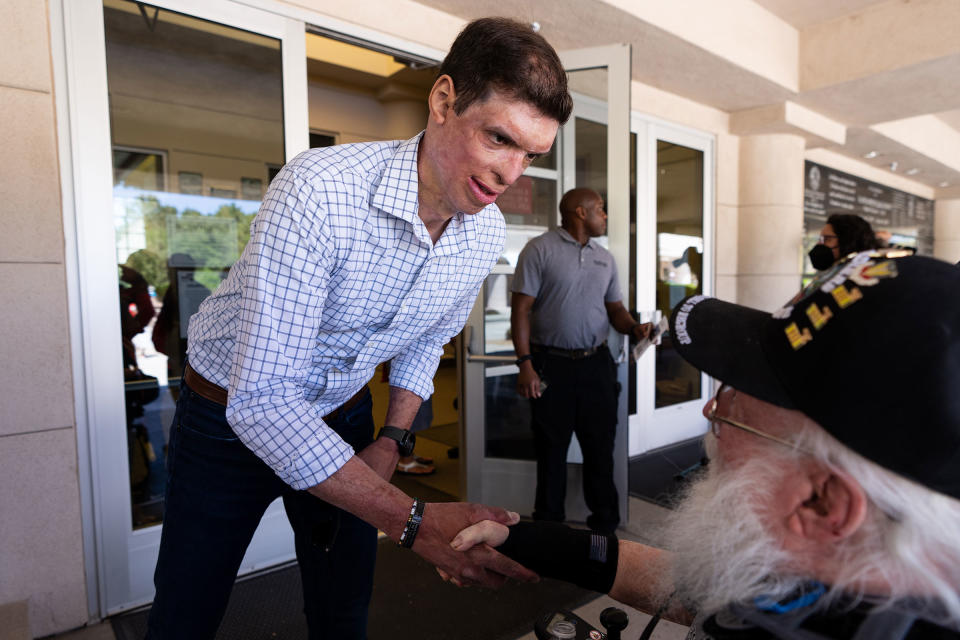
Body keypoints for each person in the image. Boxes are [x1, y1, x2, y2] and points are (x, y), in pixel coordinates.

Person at [146, 17, 572, 639]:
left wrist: (393, 437)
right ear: (444, 100)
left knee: (343, 602)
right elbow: (261, 403)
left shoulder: (482, 231)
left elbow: (429, 335)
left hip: (343, 413)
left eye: (530, 155)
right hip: (226, 418)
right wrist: (414, 520)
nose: (512, 175)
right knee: (188, 607)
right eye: (499, 139)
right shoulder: (318, 190)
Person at [454, 252, 960, 638]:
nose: (711, 410)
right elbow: (697, 587)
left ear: (822, 502)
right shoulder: (828, 569)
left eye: (740, 397)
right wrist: (526, 542)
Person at [510, 188, 651, 534]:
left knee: (600, 449)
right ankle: (549, 529)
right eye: (600, 209)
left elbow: (615, 309)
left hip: (596, 366)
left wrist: (635, 328)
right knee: (551, 452)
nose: (605, 216)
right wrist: (525, 363)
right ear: (579, 212)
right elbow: (521, 310)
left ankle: (604, 527)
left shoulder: (605, 258)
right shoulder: (539, 249)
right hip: (550, 366)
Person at [808, 213, 878, 270]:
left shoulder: (870, 275)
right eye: (820, 239)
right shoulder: (831, 275)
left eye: (827, 239)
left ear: (848, 241)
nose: (819, 244)